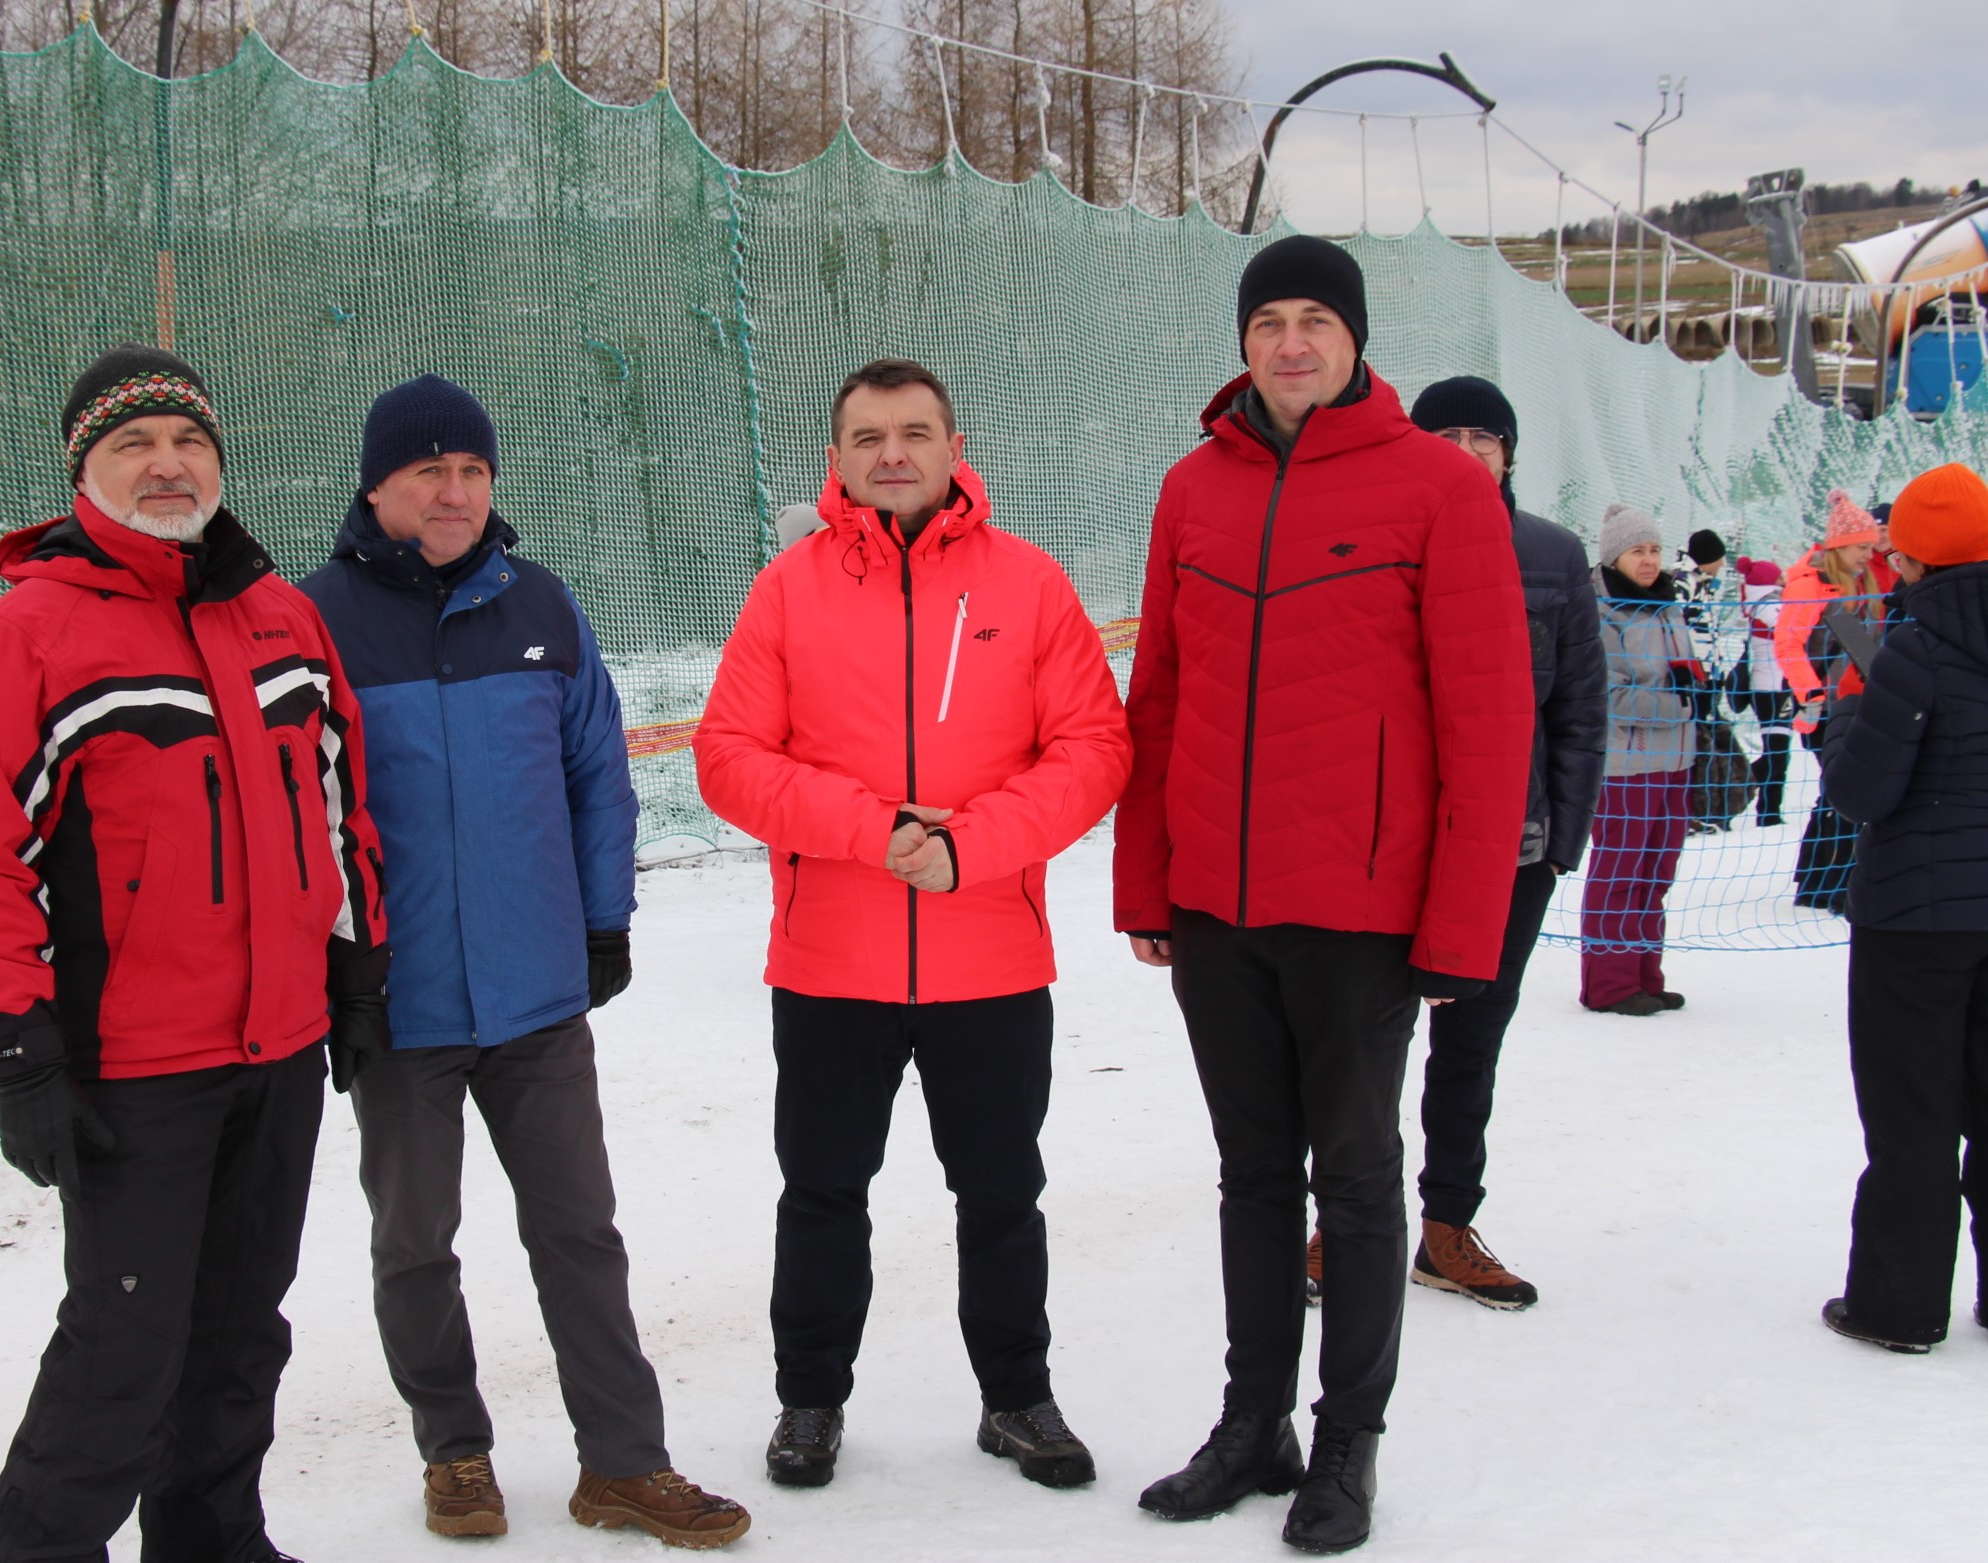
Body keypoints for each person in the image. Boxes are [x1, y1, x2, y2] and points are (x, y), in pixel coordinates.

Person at [0, 345, 390, 1563]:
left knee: (243, 1331)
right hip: (134, 1063)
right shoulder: (22, 638)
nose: (167, 463)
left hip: (281, 1045)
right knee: (124, 1348)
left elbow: (344, 805)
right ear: (83, 469)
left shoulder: (279, 615)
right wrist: (19, 1049)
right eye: (133, 444)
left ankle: (212, 1539)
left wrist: (357, 978)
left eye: (188, 441)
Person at [1113, 238, 1531, 1553]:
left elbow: (1487, 716)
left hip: (1359, 908)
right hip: (1222, 904)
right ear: (1244, 343)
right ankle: (1254, 1422)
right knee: (1250, 1172)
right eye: (1268, 322)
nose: (1290, 344)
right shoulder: (1194, 487)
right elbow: (1162, 695)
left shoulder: (1435, 489)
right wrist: (1151, 879)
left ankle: (1346, 1444)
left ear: (1354, 339)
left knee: (1354, 1177)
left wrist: (1459, 922)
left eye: (1315, 321)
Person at [301, 374, 750, 1551]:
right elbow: (295, 810)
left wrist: (603, 923)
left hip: (537, 993)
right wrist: (327, 967)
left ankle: (625, 1461)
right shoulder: (317, 619)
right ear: (376, 482)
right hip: (398, 1004)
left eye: (473, 471)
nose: (454, 492)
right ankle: (454, 1449)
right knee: (414, 1238)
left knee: (580, 1232)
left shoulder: (542, 604)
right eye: (428, 471)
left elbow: (599, 774)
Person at [694, 358, 1131, 1496]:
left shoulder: (1028, 585)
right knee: (824, 1188)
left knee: (999, 1189)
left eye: (914, 431)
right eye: (868, 434)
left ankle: (1018, 1395)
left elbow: (1094, 749)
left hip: (990, 951)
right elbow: (730, 756)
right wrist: (868, 827)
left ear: (953, 443)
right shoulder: (786, 589)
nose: (892, 452)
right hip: (832, 956)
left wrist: (966, 844)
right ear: (836, 457)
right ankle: (811, 1399)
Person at [1816, 462, 1988, 1357]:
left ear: (1912, 559)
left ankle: (1898, 1306)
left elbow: (1862, 794)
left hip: (1920, 918)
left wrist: (1845, 709)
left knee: (1913, 1113)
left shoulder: (1914, 648)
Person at [1392, 375, 1605, 1308]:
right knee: (1361, 1043)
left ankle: (1446, 1225)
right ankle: (1342, 1219)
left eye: (1487, 434)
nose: (1469, 448)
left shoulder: (1553, 556)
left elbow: (1580, 713)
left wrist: (1560, 838)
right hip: (1385, 843)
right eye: (1447, 433)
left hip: (1508, 849)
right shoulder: (1376, 542)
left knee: (1470, 1041)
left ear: (1510, 452)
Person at [1580, 504, 1700, 1017]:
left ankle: (1645, 977)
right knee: (1620, 874)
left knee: (1657, 873)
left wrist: (1694, 681)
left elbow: (1679, 673)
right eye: (1637, 551)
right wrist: (1680, 702)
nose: (1649, 560)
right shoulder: (1602, 612)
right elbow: (1609, 694)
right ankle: (1609, 984)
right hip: (1627, 768)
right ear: (1614, 556)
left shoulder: (1667, 604)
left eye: (1653, 549)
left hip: (1675, 760)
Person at [1776, 492, 1885, 913]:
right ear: (1840, 545)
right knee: (1840, 791)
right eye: (1862, 546)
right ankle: (1827, 883)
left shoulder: (1855, 585)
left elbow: (1865, 647)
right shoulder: (1810, 585)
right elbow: (1787, 643)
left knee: (1838, 792)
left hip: (1856, 704)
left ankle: (1825, 880)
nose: (1868, 554)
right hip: (1826, 707)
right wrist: (1812, 694)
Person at [1675, 528, 1749, 834]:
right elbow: (1676, 621)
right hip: (1693, 676)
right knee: (1696, 743)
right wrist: (1692, 668)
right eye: (1718, 559)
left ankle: (1709, 806)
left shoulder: (1702, 582)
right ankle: (1692, 809)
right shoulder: (1684, 581)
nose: (1721, 565)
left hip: (1706, 674)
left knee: (1709, 739)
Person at [1737, 555, 1795, 827]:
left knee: (1777, 753)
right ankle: (1736, 785)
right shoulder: (1768, 605)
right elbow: (1792, 624)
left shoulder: (1764, 603)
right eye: (1780, 577)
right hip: (1771, 689)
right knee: (1778, 754)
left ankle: (1768, 809)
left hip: (1772, 688)